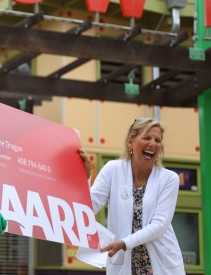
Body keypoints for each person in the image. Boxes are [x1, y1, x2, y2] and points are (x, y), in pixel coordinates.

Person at [79, 117, 185, 275]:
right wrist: (84, 177)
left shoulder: (169, 179)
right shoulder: (112, 170)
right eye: (147, 137)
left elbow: (159, 226)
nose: (153, 143)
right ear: (130, 142)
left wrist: (124, 243)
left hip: (161, 267)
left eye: (158, 140)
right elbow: (87, 208)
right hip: (124, 267)